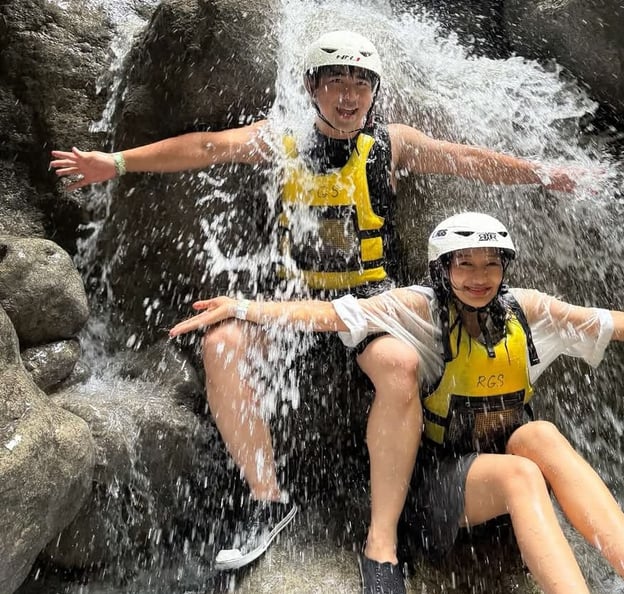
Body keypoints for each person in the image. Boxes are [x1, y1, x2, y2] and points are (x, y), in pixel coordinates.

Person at [50, 30, 577, 589]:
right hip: (292, 307)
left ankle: (382, 541)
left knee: (399, 366)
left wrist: (543, 173)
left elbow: (465, 160)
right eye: (335, 83)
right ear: (311, 87)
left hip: (372, 307)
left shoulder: (393, 144)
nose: (348, 97)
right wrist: (115, 162)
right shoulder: (280, 139)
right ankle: (267, 499)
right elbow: (205, 146)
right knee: (221, 343)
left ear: (374, 92)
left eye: (359, 84)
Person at [168, 212, 624, 594]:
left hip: (484, 481)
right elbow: (328, 315)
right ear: (442, 270)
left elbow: (607, 323)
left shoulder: (526, 310)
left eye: (490, 264)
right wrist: (241, 307)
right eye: (464, 264)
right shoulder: (417, 309)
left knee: (540, 437)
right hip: (431, 490)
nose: (479, 277)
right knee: (520, 473)